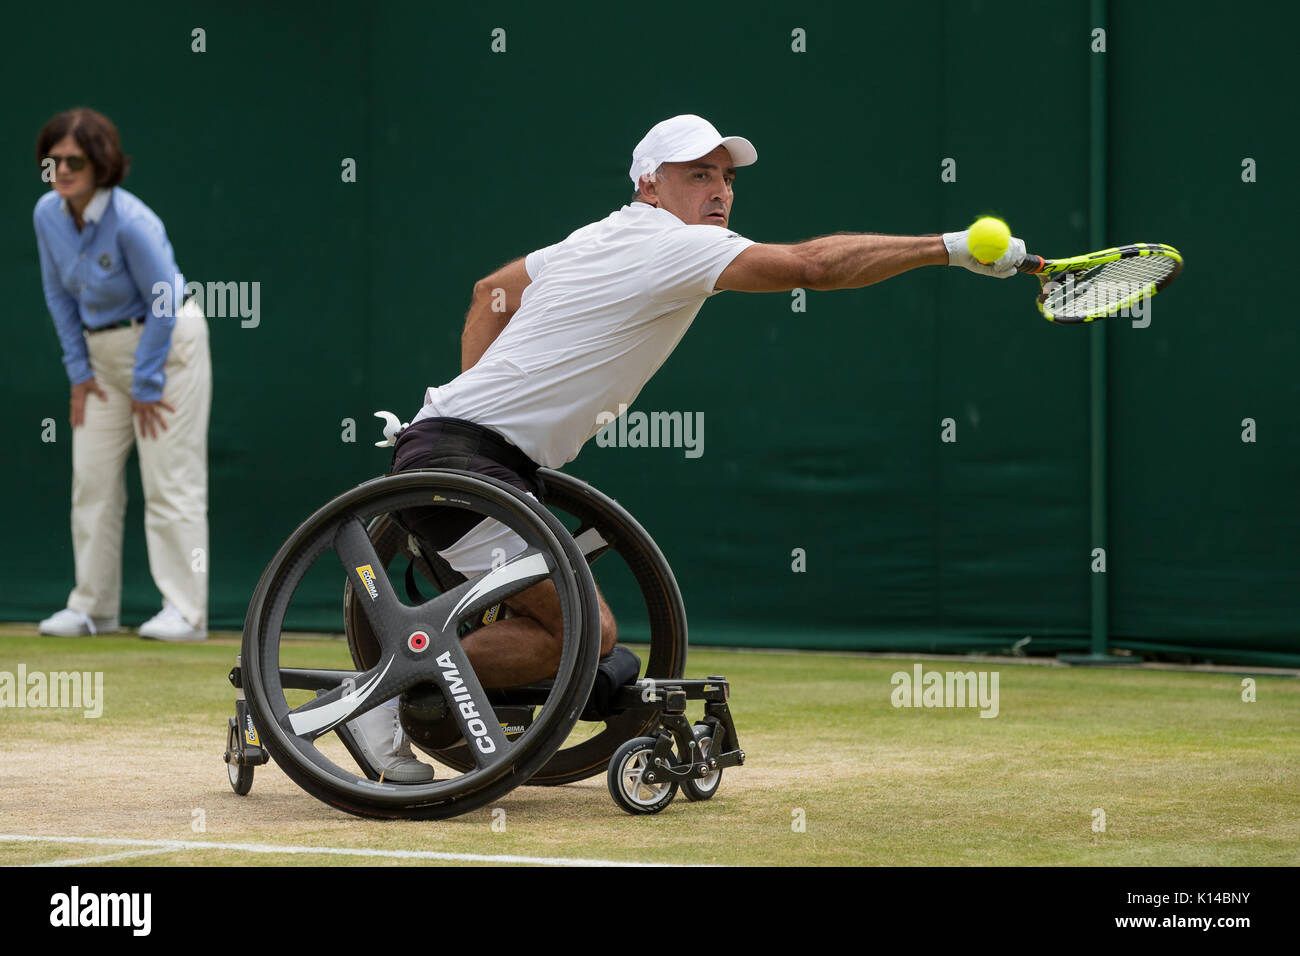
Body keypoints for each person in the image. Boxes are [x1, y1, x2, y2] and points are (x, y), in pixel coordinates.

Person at [352, 113, 1026, 779]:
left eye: (727, 178)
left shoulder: (599, 236)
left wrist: (474, 399)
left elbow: (491, 292)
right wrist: (951, 247)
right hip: (462, 464)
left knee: (587, 641)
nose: (721, 191)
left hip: (465, 453)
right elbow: (814, 267)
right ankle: (374, 699)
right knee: (584, 635)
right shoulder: (675, 246)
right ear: (651, 185)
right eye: (699, 174)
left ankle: (418, 684)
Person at [33, 107, 212, 642]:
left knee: (170, 482)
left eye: (74, 160)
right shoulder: (47, 214)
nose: (61, 170)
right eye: (52, 160)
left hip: (168, 352)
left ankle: (185, 611)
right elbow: (57, 293)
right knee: (90, 479)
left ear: (101, 164)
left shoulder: (132, 222)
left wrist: (148, 382)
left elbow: (162, 301)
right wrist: (78, 372)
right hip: (101, 362)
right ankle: (92, 607)